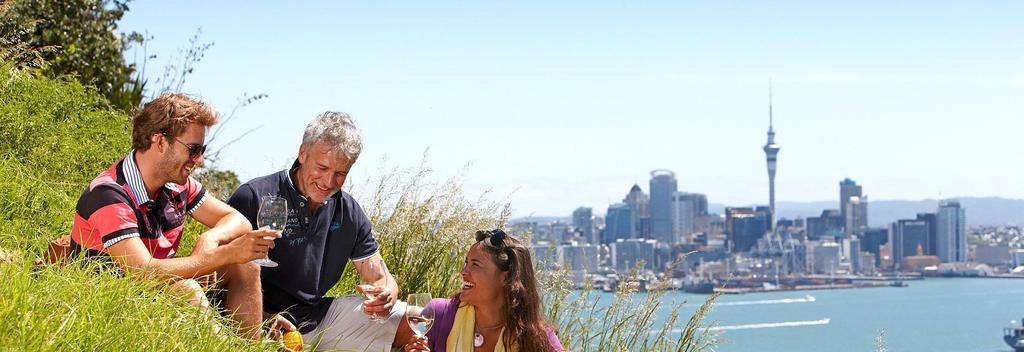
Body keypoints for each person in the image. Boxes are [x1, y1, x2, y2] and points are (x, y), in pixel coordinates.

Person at [68, 93, 284, 339]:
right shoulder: (109, 193)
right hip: (109, 300)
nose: (199, 160)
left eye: (201, 150)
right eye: (193, 149)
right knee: (188, 290)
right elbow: (142, 271)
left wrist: (211, 239)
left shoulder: (179, 185)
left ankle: (250, 345)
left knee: (245, 265)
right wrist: (224, 253)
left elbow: (238, 221)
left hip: (155, 288)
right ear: (160, 142)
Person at [227, 111, 415, 351]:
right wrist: (260, 317)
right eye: (322, 167)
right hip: (257, 322)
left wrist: (386, 294)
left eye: (340, 174)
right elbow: (217, 279)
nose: (328, 182)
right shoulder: (254, 195)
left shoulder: (349, 211)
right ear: (302, 153)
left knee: (417, 319)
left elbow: (380, 275)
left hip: (319, 318)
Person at [403, 229, 564, 352]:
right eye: (466, 263)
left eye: (475, 265)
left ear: (506, 278)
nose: (463, 271)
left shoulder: (536, 337)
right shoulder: (439, 315)